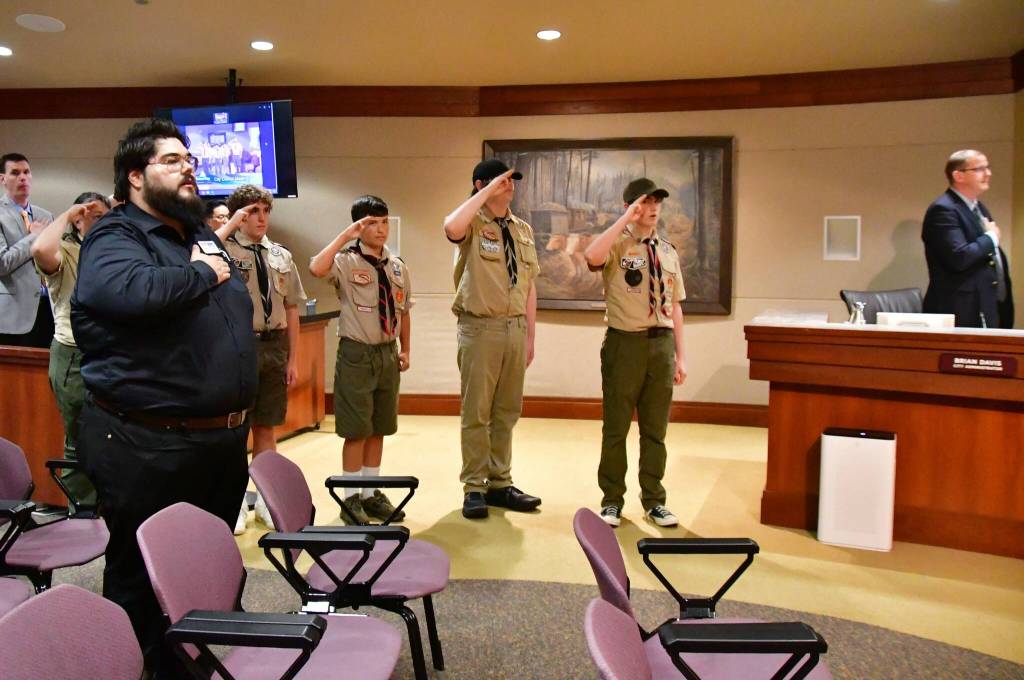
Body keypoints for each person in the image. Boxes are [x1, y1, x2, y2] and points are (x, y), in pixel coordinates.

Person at [71, 118, 256, 675]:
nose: (189, 169)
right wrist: (202, 273)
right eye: (172, 160)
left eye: (190, 161)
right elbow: (128, 291)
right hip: (147, 443)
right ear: (134, 176)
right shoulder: (116, 235)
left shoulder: (193, 232)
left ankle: (185, 665)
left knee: (198, 571)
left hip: (215, 441)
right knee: (142, 577)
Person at [583, 178, 688, 528]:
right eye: (647, 201)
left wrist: (680, 356)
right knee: (615, 428)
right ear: (634, 206)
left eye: (658, 200)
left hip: (661, 346)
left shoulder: (668, 251)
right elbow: (592, 256)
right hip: (624, 344)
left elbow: (675, 307)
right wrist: (624, 217)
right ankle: (612, 500)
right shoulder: (617, 245)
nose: (655, 206)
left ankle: (654, 500)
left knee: (655, 430)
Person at [442, 159, 542, 520]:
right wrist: (484, 193)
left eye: (512, 180)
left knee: (506, 411)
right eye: (501, 180)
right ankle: (474, 486)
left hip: (514, 328)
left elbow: (529, 285)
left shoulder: (523, 230)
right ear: (481, 184)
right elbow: (450, 226)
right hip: (480, 329)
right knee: (477, 411)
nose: (509, 185)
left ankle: (500, 482)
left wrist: (530, 334)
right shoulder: (472, 223)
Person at [309, 195, 412, 524]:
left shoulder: (396, 266)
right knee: (356, 429)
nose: (381, 229)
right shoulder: (345, 261)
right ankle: (350, 496)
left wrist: (406, 348)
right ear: (358, 226)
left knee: (379, 427)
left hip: (387, 352)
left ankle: (370, 493)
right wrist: (345, 236)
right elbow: (315, 268)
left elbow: (404, 311)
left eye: (384, 222)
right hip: (356, 353)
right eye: (372, 223)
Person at [217, 184, 306, 534]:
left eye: (265, 211)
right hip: (238, 347)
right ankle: (236, 501)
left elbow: (293, 307)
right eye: (253, 212)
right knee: (236, 429)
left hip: (274, 346)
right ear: (239, 216)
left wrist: (292, 359)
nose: (261, 218)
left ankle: (268, 500)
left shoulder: (280, 255)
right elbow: (193, 251)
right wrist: (229, 224)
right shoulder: (221, 250)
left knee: (267, 426)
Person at [30, 191, 111, 511]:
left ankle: (106, 509)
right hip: (73, 356)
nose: (106, 223)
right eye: (97, 217)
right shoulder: (64, 251)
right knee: (79, 440)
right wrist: (69, 212)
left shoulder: (110, 253)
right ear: (79, 220)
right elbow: (38, 248)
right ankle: (83, 513)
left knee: (109, 437)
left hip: (108, 355)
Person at [922, 149, 1014, 328]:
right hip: (961, 309)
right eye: (979, 169)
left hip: (988, 303)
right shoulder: (944, 210)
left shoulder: (977, 206)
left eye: (988, 168)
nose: (988, 173)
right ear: (959, 175)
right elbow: (959, 257)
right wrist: (991, 237)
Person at [0, 153, 55, 347]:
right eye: (15, 173)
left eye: (26, 172)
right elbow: (2, 264)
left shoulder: (45, 215)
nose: (22, 177)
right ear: (3, 179)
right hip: (11, 316)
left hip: (48, 309)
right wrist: (34, 237)